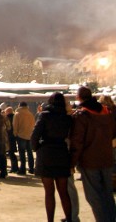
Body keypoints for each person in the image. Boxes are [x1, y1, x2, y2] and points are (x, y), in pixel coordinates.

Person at [70, 86, 116, 222]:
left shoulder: (82, 115)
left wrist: (72, 162)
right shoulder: (107, 113)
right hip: (106, 159)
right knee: (107, 194)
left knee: (94, 196)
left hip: (89, 161)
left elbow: (77, 142)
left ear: (78, 97)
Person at [31, 92, 72, 222]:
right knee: (64, 191)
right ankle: (69, 219)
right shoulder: (68, 117)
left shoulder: (44, 115)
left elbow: (35, 135)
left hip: (46, 152)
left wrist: (36, 148)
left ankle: (50, 220)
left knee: (49, 192)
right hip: (62, 152)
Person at [13, 101, 35, 175]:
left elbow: (15, 125)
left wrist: (15, 134)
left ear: (19, 105)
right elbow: (33, 124)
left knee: (22, 153)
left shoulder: (17, 114)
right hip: (30, 135)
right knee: (30, 153)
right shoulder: (30, 114)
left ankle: (22, 169)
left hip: (21, 135)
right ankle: (31, 168)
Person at [4, 106, 19, 173]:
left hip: (8, 137)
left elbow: (7, 128)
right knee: (11, 153)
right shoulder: (15, 117)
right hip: (13, 137)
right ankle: (15, 167)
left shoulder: (7, 118)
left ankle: (14, 168)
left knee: (10, 153)